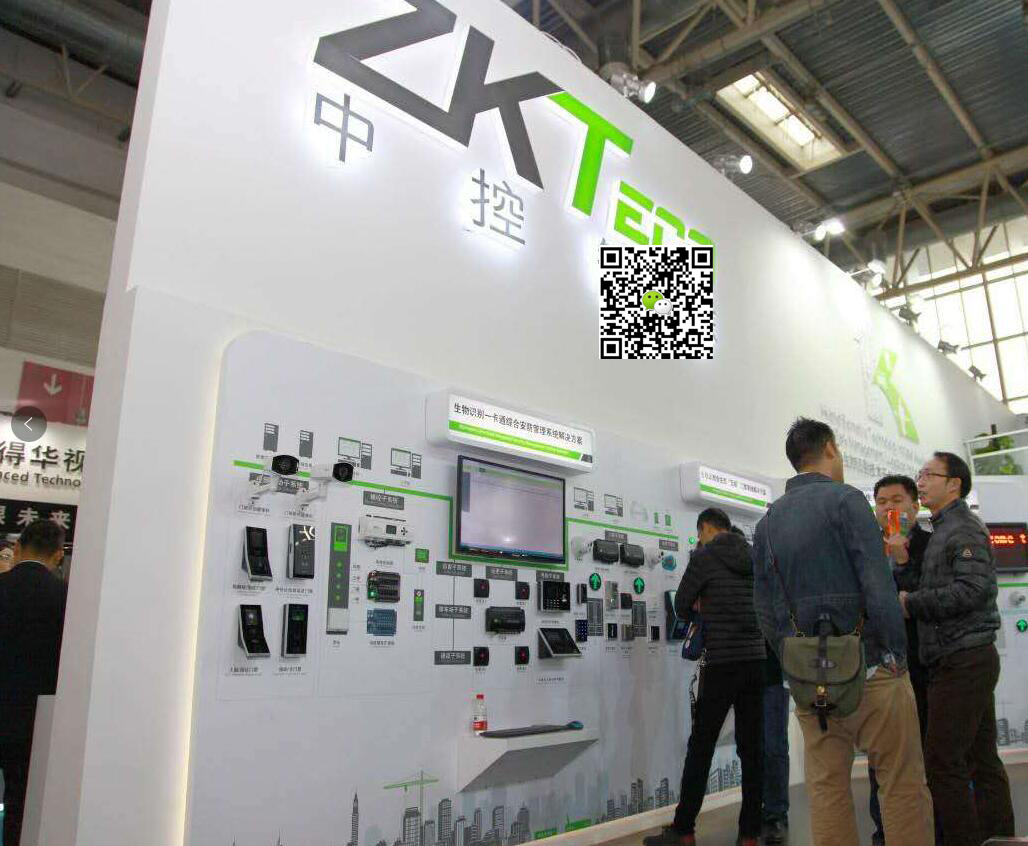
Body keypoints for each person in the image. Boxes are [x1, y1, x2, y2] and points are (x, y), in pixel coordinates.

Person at [751, 418, 933, 846]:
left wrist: (792, 658)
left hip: (808, 680)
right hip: (871, 669)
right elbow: (878, 586)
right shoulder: (848, 502)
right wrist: (895, 654)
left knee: (826, 789)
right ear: (830, 448)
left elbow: (764, 608)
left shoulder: (767, 522)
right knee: (901, 784)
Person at [899, 452, 1015, 846]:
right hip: (960, 657)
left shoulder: (962, 529)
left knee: (942, 761)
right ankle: (997, 837)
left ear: (954, 484)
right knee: (980, 759)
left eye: (928, 475)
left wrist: (911, 603)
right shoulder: (943, 530)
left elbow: (972, 589)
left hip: (963, 659)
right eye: (920, 475)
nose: (921, 481)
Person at [645, 508, 766, 846]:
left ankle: (683, 830)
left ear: (705, 529)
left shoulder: (704, 557)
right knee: (752, 749)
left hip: (722, 662)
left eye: (699, 535)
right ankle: (750, 834)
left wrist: (701, 604)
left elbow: (681, 606)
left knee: (701, 746)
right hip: (756, 660)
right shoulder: (754, 556)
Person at [866, 474, 933, 846]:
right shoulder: (866, 547)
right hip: (881, 669)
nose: (889, 508)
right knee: (882, 760)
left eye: (897, 500)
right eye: (881, 502)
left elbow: (932, 599)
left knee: (925, 755)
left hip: (925, 666)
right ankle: (884, 833)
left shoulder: (930, 545)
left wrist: (903, 559)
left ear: (915, 506)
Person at [0, 520, 68, 846]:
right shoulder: (66, 598)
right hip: (33, 720)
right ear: (58, 555)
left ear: (17, 547)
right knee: (20, 805)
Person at [761, 644, 790, 844]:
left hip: (773, 674)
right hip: (746, 674)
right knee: (754, 748)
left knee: (774, 746)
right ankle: (765, 810)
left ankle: (776, 812)